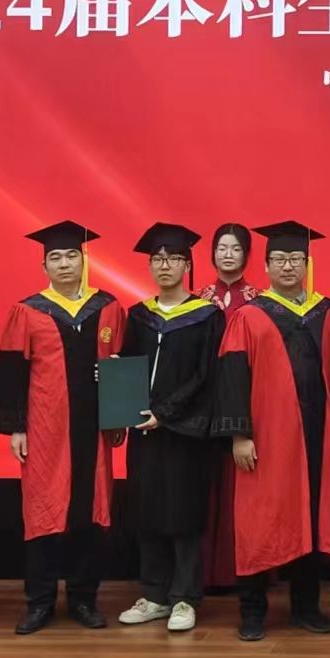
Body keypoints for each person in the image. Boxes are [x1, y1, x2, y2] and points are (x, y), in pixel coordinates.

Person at [0, 220, 125, 635]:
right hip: (45, 428)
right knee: (43, 512)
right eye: (55, 257)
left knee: (89, 512)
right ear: (43, 265)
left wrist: (119, 409)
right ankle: (40, 601)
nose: (64, 263)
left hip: (94, 428)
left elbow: (124, 364)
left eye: (71, 256)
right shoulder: (28, 310)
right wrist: (16, 427)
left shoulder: (108, 308)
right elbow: (11, 370)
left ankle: (84, 599)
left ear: (84, 260)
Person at [214, 219, 330, 640]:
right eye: (280, 259)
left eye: (296, 259)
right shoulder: (249, 316)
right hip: (266, 436)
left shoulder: (328, 313)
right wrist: (239, 434)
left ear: (307, 264)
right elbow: (233, 375)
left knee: (310, 514)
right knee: (258, 517)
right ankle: (252, 610)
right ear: (267, 266)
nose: (288, 266)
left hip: (315, 433)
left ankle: (306, 606)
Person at [117, 224, 223, 634]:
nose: (164, 266)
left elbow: (205, 375)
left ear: (187, 265)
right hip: (145, 430)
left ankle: (184, 598)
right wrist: (113, 382)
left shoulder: (207, 316)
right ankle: (154, 595)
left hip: (187, 431)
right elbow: (128, 366)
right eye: (157, 259)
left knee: (184, 514)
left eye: (173, 259)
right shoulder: (139, 316)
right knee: (146, 511)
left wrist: (165, 411)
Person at [200, 222, 256, 591]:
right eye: (222, 248)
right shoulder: (197, 300)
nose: (228, 255)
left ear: (247, 255)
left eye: (236, 248)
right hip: (205, 403)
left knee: (244, 486)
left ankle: (245, 568)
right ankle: (206, 570)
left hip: (246, 400)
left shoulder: (260, 301)